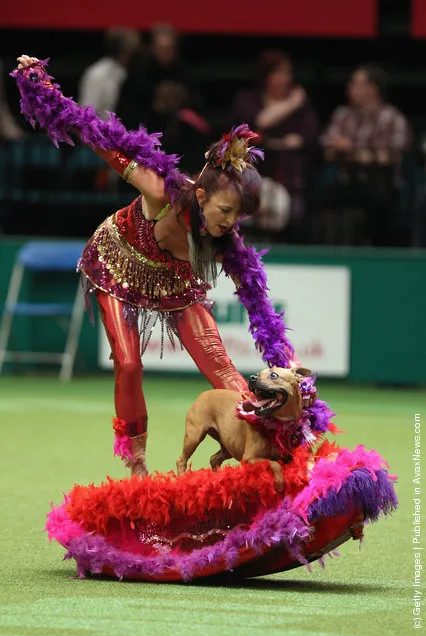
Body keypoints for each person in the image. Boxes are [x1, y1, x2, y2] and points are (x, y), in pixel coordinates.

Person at [13, 55, 310, 477]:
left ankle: (263, 454)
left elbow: (261, 310)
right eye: (225, 210)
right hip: (118, 261)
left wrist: (286, 365)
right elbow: (100, 138)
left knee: (226, 371)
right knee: (130, 364)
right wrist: (42, 89)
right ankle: (136, 463)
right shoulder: (162, 193)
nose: (229, 223)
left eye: (238, 217)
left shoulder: (228, 242)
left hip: (173, 281)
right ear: (202, 197)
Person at [231, 50, 319, 237]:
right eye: (278, 73)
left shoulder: (303, 109)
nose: (285, 79)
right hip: (252, 173)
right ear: (265, 76)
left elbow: (309, 135)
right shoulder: (247, 99)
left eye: (288, 73)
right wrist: (293, 102)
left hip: (289, 178)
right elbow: (260, 122)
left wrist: (296, 140)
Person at [320, 64, 411, 245]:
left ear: (372, 89)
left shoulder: (393, 118)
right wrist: (364, 153)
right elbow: (328, 148)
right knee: (324, 190)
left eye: (356, 83)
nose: (350, 87)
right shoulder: (343, 115)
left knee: (379, 199)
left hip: (381, 185)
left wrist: (351, 149)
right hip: (346, 183)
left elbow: (392, 155)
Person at [78, 28, 141, 117]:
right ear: (123, 52)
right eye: (132, 52)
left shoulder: (126, 73)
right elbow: (87, 112)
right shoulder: (98, 74)